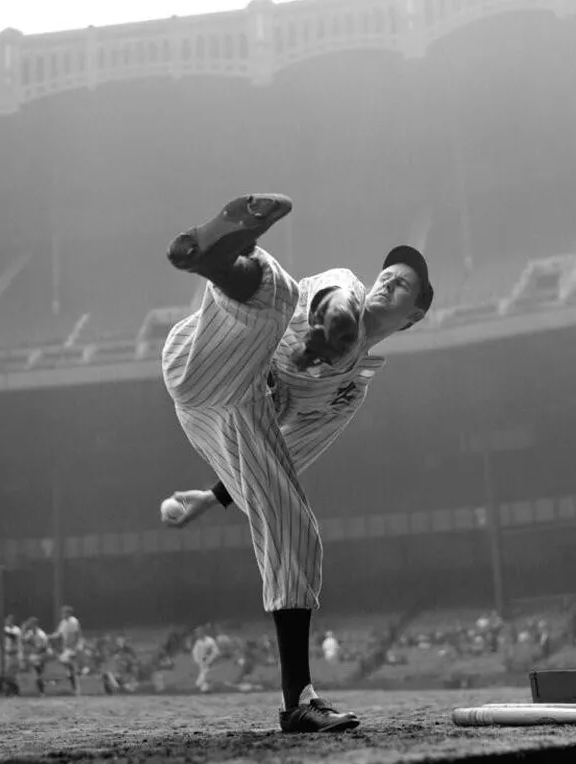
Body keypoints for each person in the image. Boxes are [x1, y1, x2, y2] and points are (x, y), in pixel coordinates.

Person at [160, 193, 433, 732]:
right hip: (205, 355)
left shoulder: (350, 393)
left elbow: (287, 453)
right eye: (388, 273)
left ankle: (298, 702)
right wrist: (337, 332)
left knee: (296, 529)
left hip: (230, 417)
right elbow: (338, 304)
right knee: (280, 294)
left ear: (415, 315)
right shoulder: (348, 284)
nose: (388, 281)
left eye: (403, 284)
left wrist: (212, 496)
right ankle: (221, 260)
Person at [49, 605, 82, 696]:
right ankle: (72, 674)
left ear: (68, 613)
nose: (62, 614)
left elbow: (77, 634)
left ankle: (74, 675)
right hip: (66, 648)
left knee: (66, 662)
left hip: (72, 647)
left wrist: (75, 647)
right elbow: (58, 634)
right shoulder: (63, 622)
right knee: (63, 661)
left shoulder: (73, 621)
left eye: (64, 612)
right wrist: (49, 637)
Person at [21, 617, 51, 696]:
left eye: (31, 624)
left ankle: (42, 688)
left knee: (38, 671)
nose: (29, 626)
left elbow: (45, 647)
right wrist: (23, 629)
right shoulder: (31, 633)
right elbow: (23, 640)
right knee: (38, 673)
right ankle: (42, 690)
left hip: (43, 654)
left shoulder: (41, 634)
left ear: (34, 625)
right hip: (36, 655)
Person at [191, 626, 219, 693]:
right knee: (203, 673)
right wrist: (196, 660)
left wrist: (210, 659)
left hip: (209, 660)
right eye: (197, 633)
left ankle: (201, 686)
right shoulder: (198, 642)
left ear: (203, 632)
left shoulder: (210, 640)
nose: (198, 634)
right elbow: (194, 652)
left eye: (198, 632)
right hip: (201, 661)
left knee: (206, 674)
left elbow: (215, 651)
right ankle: (204, 688)